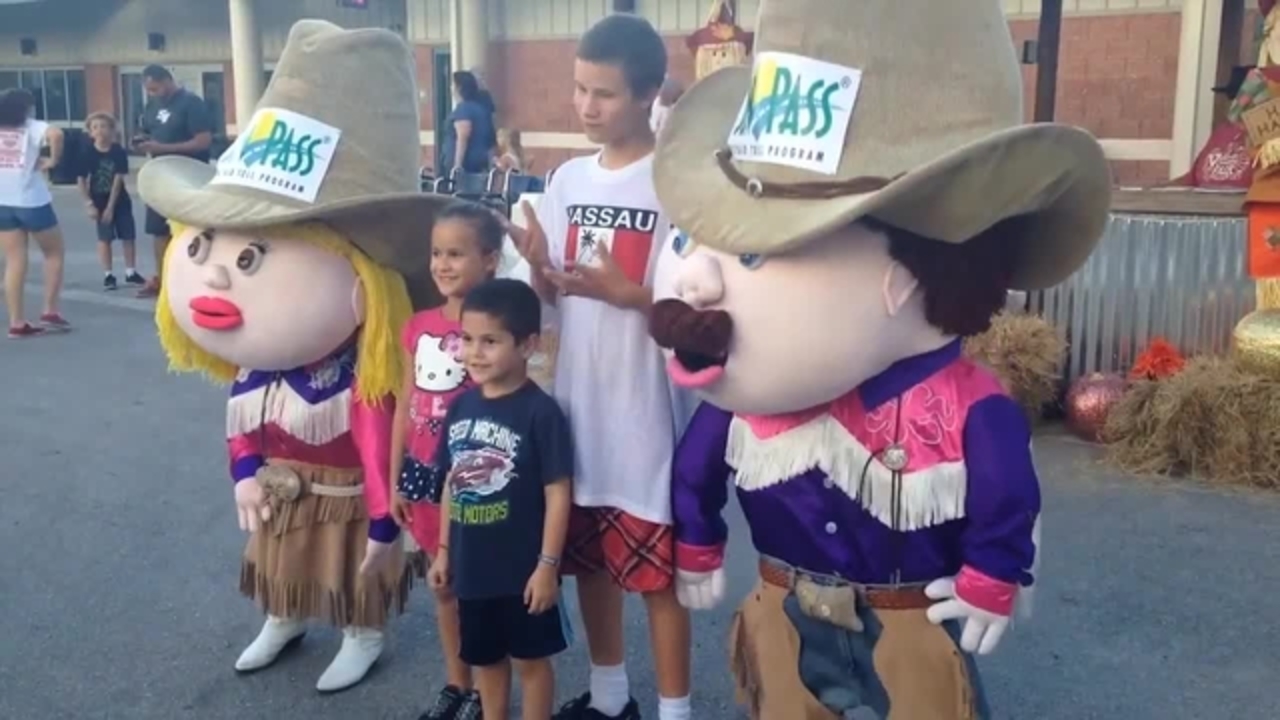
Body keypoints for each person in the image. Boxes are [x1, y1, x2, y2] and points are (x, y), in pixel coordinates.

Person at [646, 0, 1110, 718]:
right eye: (691, 239)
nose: (694, 283)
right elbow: (697, 465)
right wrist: (698, 534)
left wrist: (994, 572)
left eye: (754, 253)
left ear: (908, 277)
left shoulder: (966, 408)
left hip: (908, 622)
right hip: (783, 608)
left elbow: (1005, 493)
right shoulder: (749, 405)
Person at [140, 20, 452, 693]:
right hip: (284, 485)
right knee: (279, 552)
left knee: (351, 564)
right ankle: (283, 614)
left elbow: (379, 444)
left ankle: (363, 630)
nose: (215, 276)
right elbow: (243, 425)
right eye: (204, 246)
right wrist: (244, 473)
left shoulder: (361, 375)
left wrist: (383, 519)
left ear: (367, 282)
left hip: (347, 491)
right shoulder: (259, 370)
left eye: (251, 257)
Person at [506, 14, 693, 720]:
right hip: (579, 405)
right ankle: (611, 694)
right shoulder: (566, 179)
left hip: (647, 413)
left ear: (648, 94)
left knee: (658, 578)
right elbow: (556, 296)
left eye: (604, 94)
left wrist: (631, 296)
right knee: (588, 562)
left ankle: (675, 709)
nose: (585, 106)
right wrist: (538, 267)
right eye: (580, 89)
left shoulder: (675, 185)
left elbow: (699, 306)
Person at [427, 278, 575, 720]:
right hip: (472, 570)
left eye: (490, 341)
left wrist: (547, 566)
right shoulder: (460, 407)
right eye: (467, 339)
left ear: (528, 345)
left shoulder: (541, 412)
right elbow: (452, 482)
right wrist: (443, 551)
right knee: (486, 661)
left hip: (523, 572)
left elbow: (558, 492)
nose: (474, 353)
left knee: (531, 662)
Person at [390, 201, 504, 720]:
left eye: (456, 254)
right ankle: (456, 684)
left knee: (478, 589)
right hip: (423, 473)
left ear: (490, 260)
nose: (442, 264)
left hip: (473, 478)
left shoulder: (495, 330)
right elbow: (406, 404)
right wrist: (395, 477)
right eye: (437, 253)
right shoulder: (418, 326)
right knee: (443, 588)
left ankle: (487, 688)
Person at [133, 64, 213, 299]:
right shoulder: (152, 106)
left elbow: (203, 141)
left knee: (189, 230)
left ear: (168, 80)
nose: (152, 93)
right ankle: (164, 281)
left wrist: (164, 148)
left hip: (187, 176)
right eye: (149, 90)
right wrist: (142, 141)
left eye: (155, 88)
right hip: (160, 175)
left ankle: (192, 282)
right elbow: (149, 131)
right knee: (158, 230)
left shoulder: (191, 103)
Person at [0, 87, 69, 338]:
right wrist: (53, 160)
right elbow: (57, 134)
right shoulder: (31, 126)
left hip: (3, 201)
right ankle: (50, 309)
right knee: (53, 252)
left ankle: (16, 321)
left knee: (14, 260)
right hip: (31, 199)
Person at [78, 112, 145, 291]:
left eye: (104, 126)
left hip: (119, 199)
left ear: (112, 130)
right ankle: (108, 274)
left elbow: (118, 178)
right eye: (95, 127)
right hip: (98, 199)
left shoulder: (118, 151)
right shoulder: (87, 153)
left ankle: (131, 272)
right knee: (104, 238)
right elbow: (81, 180)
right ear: (90, 132)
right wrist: (89, 204)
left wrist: (111, 206)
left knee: (128, 235)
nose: (100, 130)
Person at [443, 71, 497, 177]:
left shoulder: (463, 109)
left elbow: (463, 136)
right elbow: (491, 141)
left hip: (465, 168)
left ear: (459, 87)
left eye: (453, 84)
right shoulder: (482, 110)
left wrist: (457, 165)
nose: (451, 88)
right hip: (480, 165)